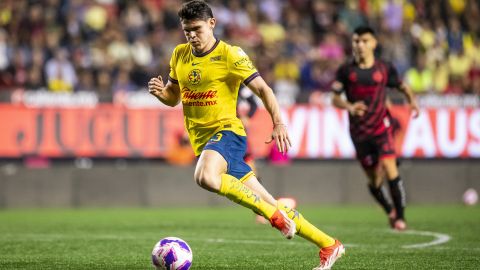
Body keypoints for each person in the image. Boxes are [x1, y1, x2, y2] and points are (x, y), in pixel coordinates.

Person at [148, 1, 344, 269]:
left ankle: (272, 216)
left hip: (227, 133)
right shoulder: (180, 55)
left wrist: (278, 123)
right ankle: (329, 244)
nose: (192, 36)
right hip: (204, 141)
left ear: (212, 24)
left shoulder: (231, 54)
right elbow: (174, 98)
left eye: (196, 29)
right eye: (186, 31)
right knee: (269, 201)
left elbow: (264, 89)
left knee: (205, 177)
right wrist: (162, 94)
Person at [332, 26, 419, 231]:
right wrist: (350, 106)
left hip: (382, 128)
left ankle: (400, 218)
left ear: (373, 43)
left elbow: (402, 86)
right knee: (374, 180)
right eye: (356, 41)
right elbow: (335, 98)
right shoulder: (346, 71)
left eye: (364, 41)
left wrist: (412, 102)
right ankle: (388, 208)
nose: (360, 45)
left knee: (390, 168)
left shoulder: (384, 68)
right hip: (359, 133)